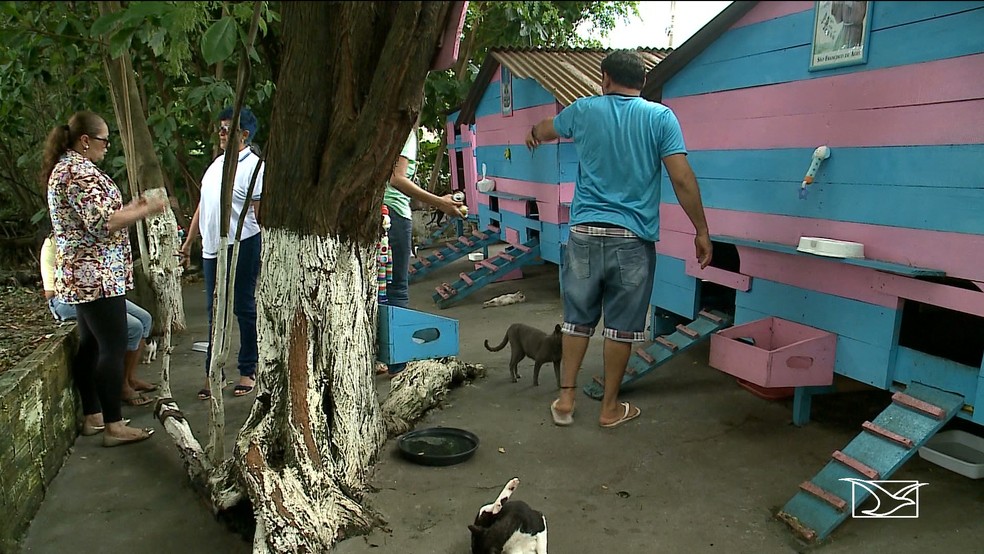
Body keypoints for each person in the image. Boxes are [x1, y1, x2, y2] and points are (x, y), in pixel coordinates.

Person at [525, 50, 712, 429]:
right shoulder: (661, 118)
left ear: (606, 78)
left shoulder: (583, 110)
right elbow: (682, 178)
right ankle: (609, 409)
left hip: (584, 234)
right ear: (642, 82)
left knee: (577, 320)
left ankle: (565, 400)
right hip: (632, 239)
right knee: (621, 327)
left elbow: (548, 128)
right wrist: (702, 231)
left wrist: (533, 134)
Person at [42, 110, 165, 446]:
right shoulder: (77, 173)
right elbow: (104, 224)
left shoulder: (68, 169)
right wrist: (145, 209)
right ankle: (114, 424)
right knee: (110, 347)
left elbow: (99, 216)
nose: (107, 147)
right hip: (95, 276)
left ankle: (93, 416)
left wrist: (131, 206)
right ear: (85, 141)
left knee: (91, 345)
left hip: (84, 274)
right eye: (104, 141)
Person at [180, 107, 263, 400]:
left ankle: (248, 369)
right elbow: (204, 205)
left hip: (242, 243)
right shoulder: (216, 165)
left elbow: (258, 211)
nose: (222, 134)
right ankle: (213, 371)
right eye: (221, 129)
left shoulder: (253, 166)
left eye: (228, 129)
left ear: (245, 134)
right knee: (215, 310)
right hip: (212, 248)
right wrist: (190, 240)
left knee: (243, 306)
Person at [379, 125, 463, 377]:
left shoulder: (376, 125)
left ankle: (379, 357)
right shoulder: (402, 131)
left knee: (375, 288)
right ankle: (398, 364)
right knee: (396, 288)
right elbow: (397, 179)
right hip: (392, 215)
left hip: (373, 212)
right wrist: (440, 202)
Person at [40, 232, 157, 405]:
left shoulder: (91, 237)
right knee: (133, 327)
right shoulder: (53, 245)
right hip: (66, 299)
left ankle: (130, 377)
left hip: (101, 293)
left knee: (145, 319)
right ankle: (122, 386)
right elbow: (50, 292)